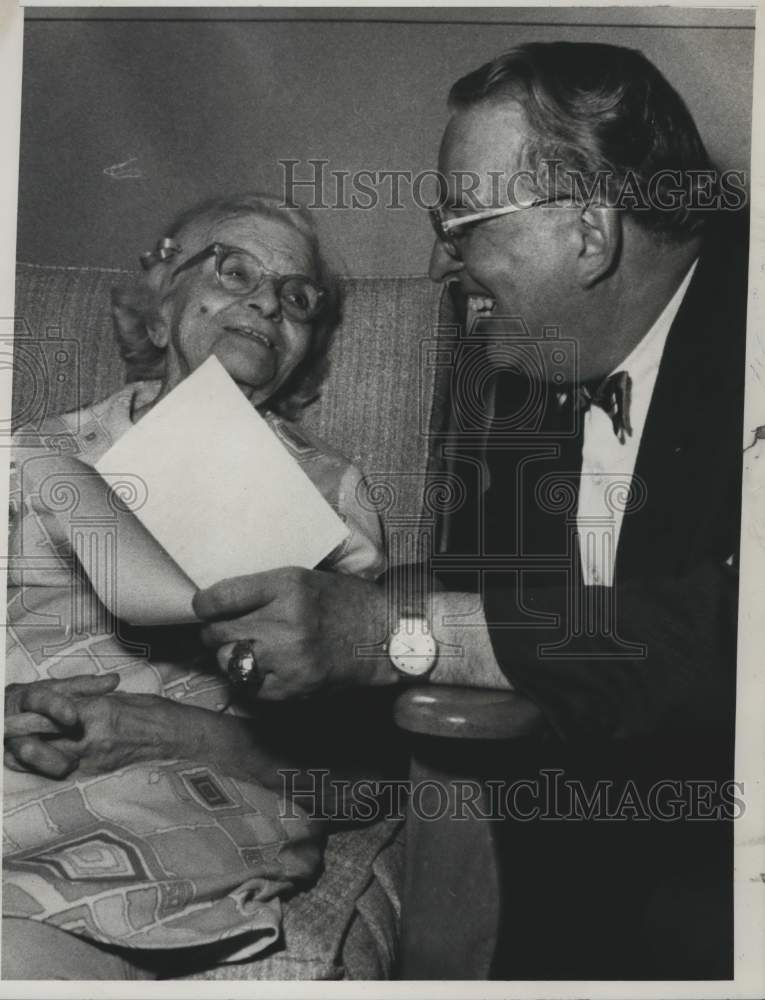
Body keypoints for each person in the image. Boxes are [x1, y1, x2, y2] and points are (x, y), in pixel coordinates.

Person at [193, 44, 747, 977]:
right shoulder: (523, 378)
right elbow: (482, 601)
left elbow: (728, 628)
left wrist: (384, 636)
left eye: (461, 224)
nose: (439, 263)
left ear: (587, 231)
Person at [3, 193, 386, 977]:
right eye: (234, 270)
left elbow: (357, 777)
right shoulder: (35, 451)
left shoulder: (327, 496)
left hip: (172, 809)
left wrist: (158, 730)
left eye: (297, 297)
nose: (267, 302)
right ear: (160, 298)